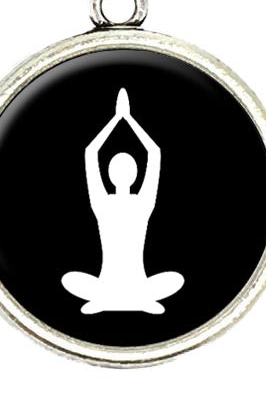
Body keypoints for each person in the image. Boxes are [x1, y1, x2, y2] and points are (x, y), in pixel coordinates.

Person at [62, 88, 184, 314]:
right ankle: (134, 301)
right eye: (117, 167)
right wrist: (116, 119)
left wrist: (129, 119)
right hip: (109, 283)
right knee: (68, 279)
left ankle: (111, 301)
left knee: (177, 279)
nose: (122, 172)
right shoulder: (102, 202)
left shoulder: (143, 202)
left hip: (136, 282)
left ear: (136, 173)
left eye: (128, 168)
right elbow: (90, 152)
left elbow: (154, 153)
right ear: (108, 173)